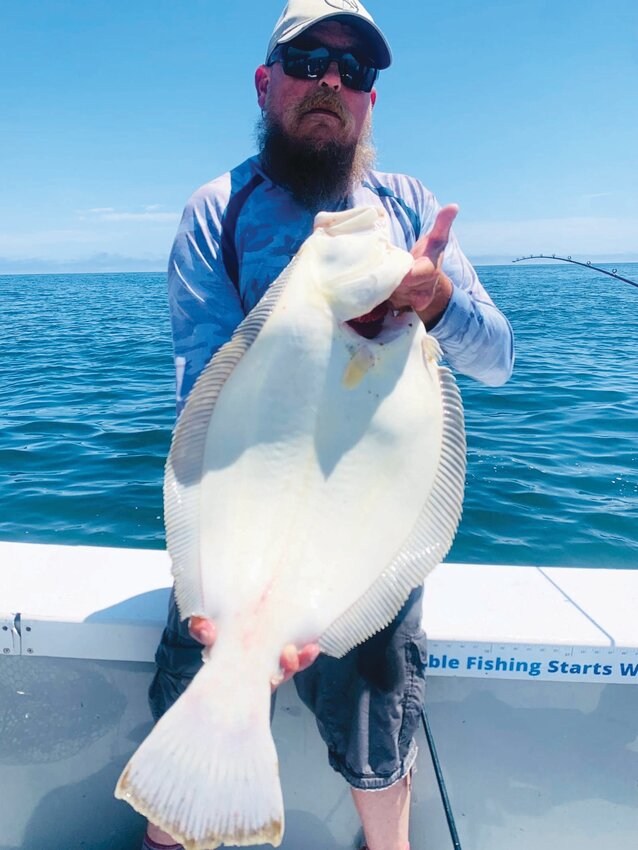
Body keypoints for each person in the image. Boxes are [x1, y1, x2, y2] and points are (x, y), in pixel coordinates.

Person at [143, 1, 514, 848]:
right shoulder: (220, 209)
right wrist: (232, 599)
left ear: (372, 100)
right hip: (241, 532)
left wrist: (436, 299)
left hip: (363, 544)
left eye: (356, 71)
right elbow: (204, 389)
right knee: (190, 731)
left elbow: (497, 360)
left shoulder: (410, 208)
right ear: (266, 81)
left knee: (380, 757)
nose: (332, 82)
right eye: (309, 61)